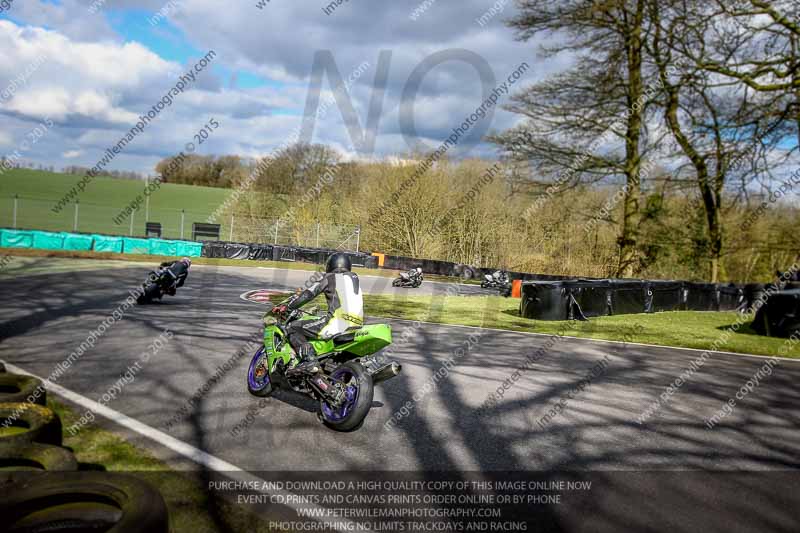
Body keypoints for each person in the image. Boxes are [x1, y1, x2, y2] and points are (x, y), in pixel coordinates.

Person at [272, 253, 364, 367]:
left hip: (337, 324)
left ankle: (310, 360)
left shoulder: (329, 277)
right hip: (357, 326)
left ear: (330, 265)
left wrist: (288, 306)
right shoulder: (355, 279)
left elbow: (308, 294)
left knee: (292, 327)